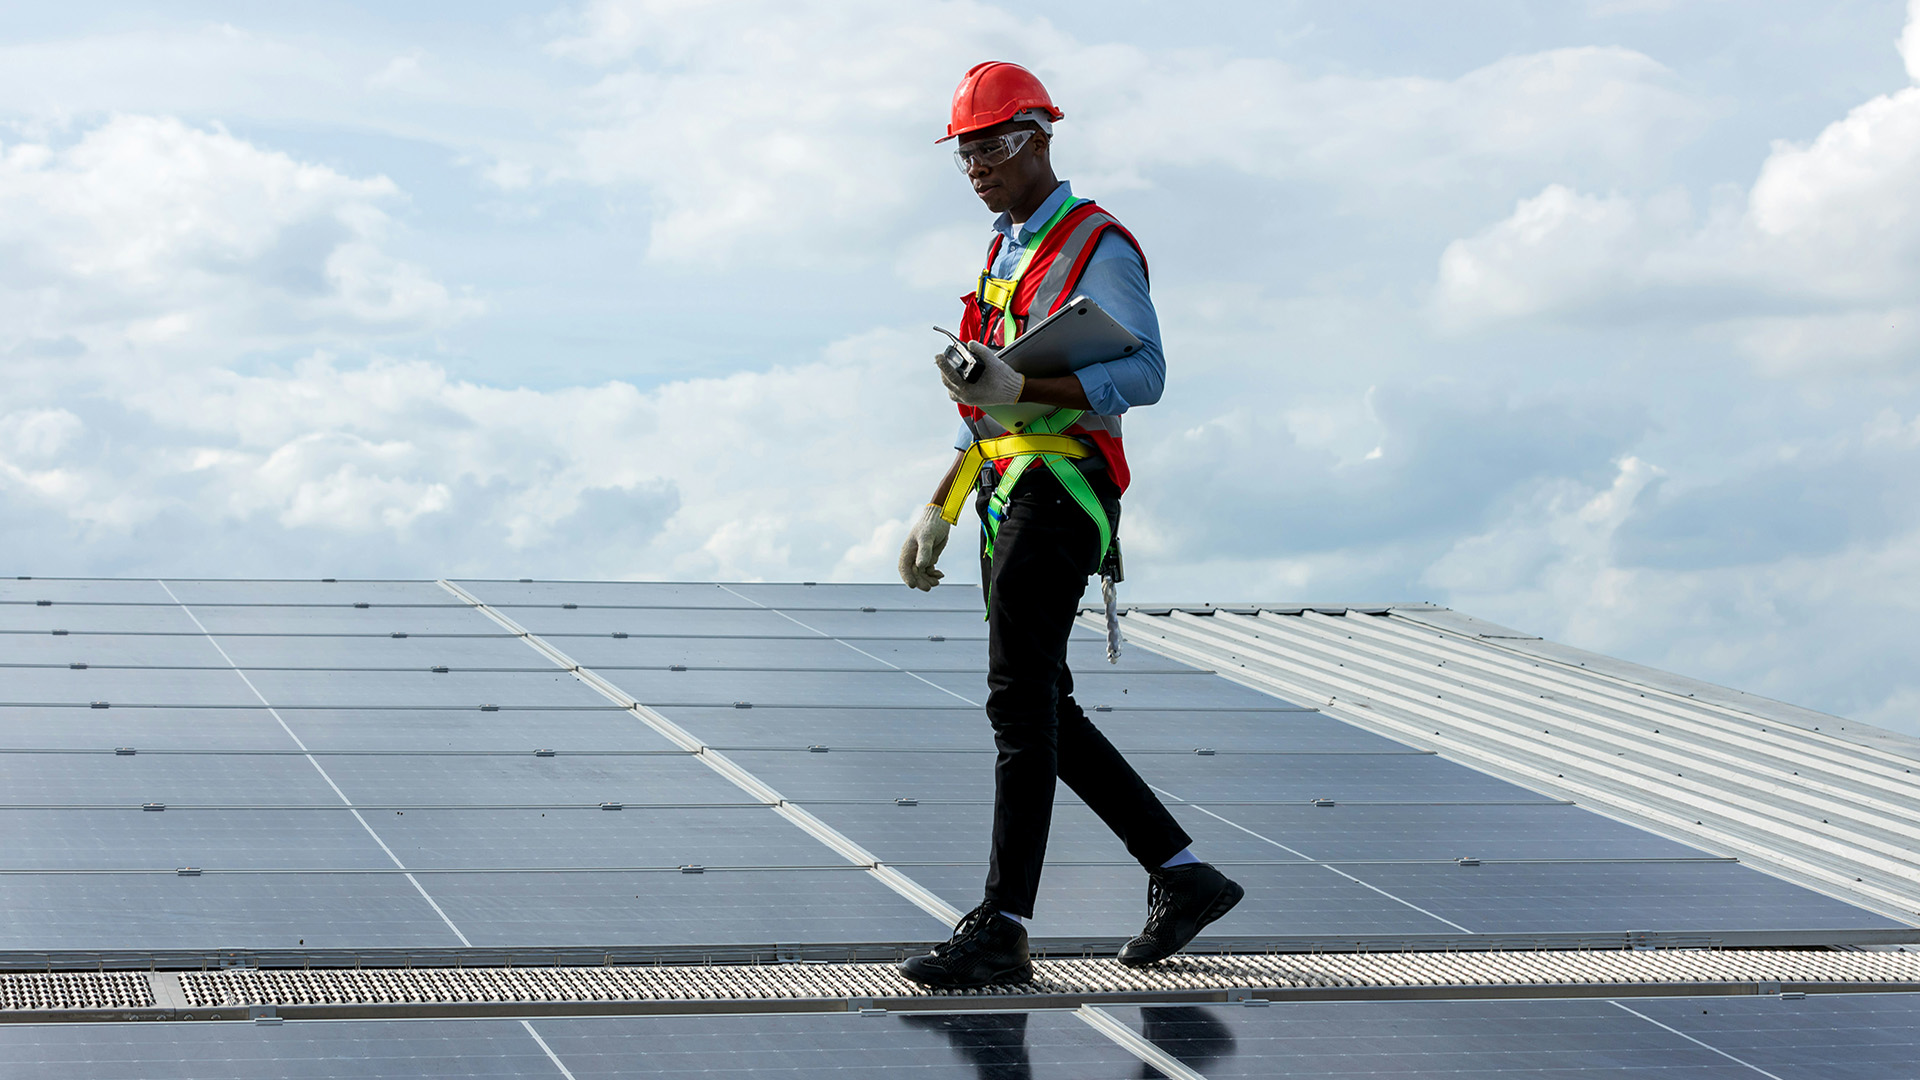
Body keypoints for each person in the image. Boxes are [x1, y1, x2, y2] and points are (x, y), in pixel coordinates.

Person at [895, 61, 1243, 989]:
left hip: (1064, 491)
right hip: (1009, 489)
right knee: (1048, 704)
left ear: (1041, 138)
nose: (977, 167)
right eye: (965, 152)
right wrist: (942, 501)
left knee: (1018, 703)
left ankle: (1003, 926)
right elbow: (992, 401)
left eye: (993, 145)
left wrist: (1024, 386)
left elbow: (1146, 375)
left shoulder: (1096, 245)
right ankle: (1185, 875)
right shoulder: (1006, 251)